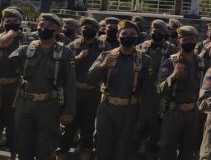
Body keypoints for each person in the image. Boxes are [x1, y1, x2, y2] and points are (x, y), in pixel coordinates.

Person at [11, 13, 75, 160]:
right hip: (25, 105)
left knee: (45, 149)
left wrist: (69, 111)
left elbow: (70, 83)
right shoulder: (25, 50)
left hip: (49, 107)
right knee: (23, 147)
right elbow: (6, 68)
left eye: (50, 26)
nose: (44, 28)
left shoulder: (66, 53)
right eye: (42, 25)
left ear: (58, 30)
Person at [89, 20, 156, 160]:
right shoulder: (105, 55)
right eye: (124, 33)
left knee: (124, 149)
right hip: (107, 108)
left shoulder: (145, 60)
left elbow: (148, 91)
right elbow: (89, 79)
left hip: (130, 110)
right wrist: (103, 66)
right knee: (102, 146)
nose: (128, 36)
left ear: (137, 36)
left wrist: (143, 118)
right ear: (118, 36)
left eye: (132, 34)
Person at [57, 17, 111, 160]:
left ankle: (85, 153)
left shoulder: (104, 47)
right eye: (85, 27)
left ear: (97, 30)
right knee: (68, 125)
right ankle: (61, 152)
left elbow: (109, 70)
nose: (89, 30)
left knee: (88, 126)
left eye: (92, 27)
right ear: (80, 29)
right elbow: (63, 67)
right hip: (74, 91)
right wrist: (77, 58)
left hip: (93, 92)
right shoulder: (73, 46)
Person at [157, 25, 204, 160]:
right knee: (167, 151)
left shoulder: (200, 62)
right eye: (185, 40)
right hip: (173, 113)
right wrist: (173, 76)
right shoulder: (170, 62)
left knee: (188, 152)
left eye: (192, 39)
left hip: (192, 114)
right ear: (178, 41)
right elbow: (159, 89)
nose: (189, 42)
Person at [134, 19, 178, 157]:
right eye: (154, 31)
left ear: (166, 33)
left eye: (160, 31)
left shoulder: (172, 50)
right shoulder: (141, 48)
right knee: (137, 132)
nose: (156, 33)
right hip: (142, 96)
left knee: (156, 134)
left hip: (161, 98)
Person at [0, 7, 25, 159]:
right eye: (8, 21)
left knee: (13, 123)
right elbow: (2, 43)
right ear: (2, 22)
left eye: (15, 21)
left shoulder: (26, 39)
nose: (11, 23)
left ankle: (15, 154)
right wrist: (10, 32)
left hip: (14, 87)